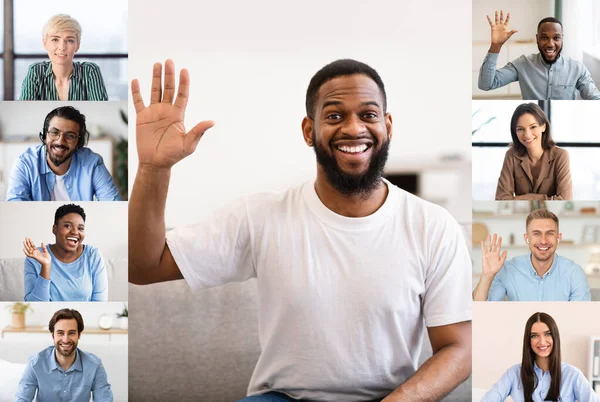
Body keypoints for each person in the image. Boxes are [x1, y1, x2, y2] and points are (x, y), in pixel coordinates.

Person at [128, 59, 472, 401]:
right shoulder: (260, 215)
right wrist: (153, 168)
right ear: (309, 130)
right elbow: (144, 266)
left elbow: (459, 348)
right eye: (335, 116)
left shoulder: (433, 226)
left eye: (368, 114)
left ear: (388, 125)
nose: (354, 128)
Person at [6, 106, 121, 201]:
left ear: (78, 142)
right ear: (45, 135)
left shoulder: (93, 163)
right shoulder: (25, 163)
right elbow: (16, 208)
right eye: (54, 132)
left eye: (70, 136)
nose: (60, 141)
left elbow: (113, 205)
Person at [478, 11, 600, 100]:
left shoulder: (577, 68)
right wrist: (496, 45)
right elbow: (486, 84)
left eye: (556, 38)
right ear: (537, 39)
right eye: (544, 38)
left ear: (562, 39)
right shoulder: (523, 64)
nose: (550, 44)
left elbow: (595, 99)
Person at [473, 209, 590, 301]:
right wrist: (487, 276)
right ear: (527, 238)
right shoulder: (508, 270)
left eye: (549, 234)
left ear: (558, 238)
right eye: (536, 234)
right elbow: (480, 308)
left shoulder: (574, 273)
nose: (543, 241)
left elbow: (580, 317)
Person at [481, 312, 599, 402]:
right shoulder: (514, 374)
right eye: (534, 336)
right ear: (528, 340)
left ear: (555, 337)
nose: (542, 341)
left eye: (547, 334)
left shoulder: (573, 375)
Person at [15, 308, 113, 402]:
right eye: (60, 333)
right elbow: (22, 398)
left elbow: (104, 399)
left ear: (79, 335)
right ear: (53, 336)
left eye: (71, 333)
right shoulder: (35, 363)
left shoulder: (94, 365)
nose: (65, 340)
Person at [23, 203, 108, 301]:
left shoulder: (93, 256)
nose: (75, 232)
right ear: (55, 229)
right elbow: (34, 304)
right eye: (67, 226)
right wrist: (45, 266)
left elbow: (100, 302)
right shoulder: (35, 257)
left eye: (80, 228)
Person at [20, 14, 108, 101]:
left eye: (70, 40)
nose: (62, 47)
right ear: (44, 43)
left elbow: (102, 110)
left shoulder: (89, 72)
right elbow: (24, 109)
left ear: (77, 45)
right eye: (55, 39)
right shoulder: (36, 71)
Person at [495, 103, 572, 200]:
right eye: (520, 129)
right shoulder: (511, 155)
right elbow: (501, 199)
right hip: (521, 214)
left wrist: (524, 198)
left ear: (543, 127)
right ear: (515, 132)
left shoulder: (560, 155)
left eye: (533, 127)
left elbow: (565, 201)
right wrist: (546, 199)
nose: (527, 135)